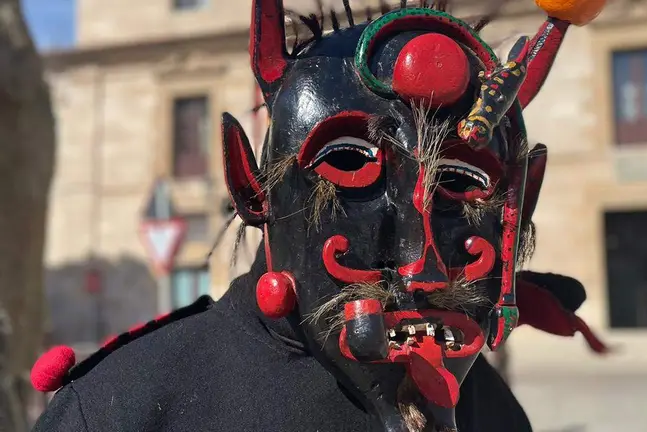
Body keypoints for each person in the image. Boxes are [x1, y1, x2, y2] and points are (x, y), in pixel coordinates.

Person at [30, 0, 608, 430]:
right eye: (349, 163)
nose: (422, 268)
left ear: (522, 204)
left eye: (460, 181)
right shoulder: (120, 413)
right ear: (252, 187)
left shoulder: (493, 411)